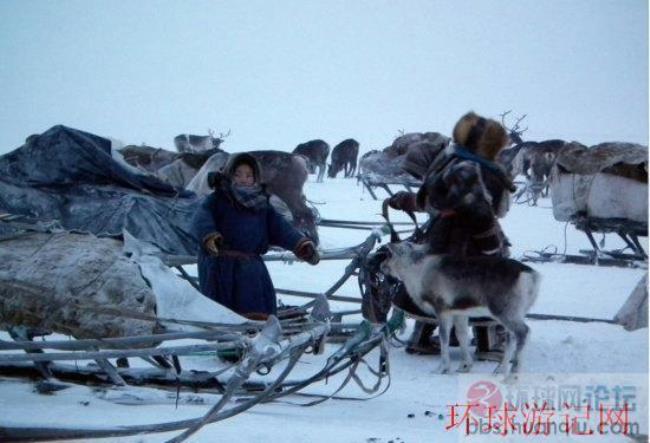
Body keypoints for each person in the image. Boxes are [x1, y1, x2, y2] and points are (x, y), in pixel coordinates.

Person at [387, 111, 515, 355]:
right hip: (469, 242)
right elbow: (479, 212)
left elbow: (427, 197)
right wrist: (490, 246)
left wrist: (412, 202)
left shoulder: (449, 159)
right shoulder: (473, 168)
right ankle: (488, 344)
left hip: (440, 236)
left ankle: (420, 338)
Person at [192, 153, 319, 319]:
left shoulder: (262, 204)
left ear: (256, 178)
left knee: (256, 313)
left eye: (248, 175)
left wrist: (301, 245)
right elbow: (200, 219)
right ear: (229, 175)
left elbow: (280, 228)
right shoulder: (218, 199)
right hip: (221, 268)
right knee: (224, 317)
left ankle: (257, 339)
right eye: (237, 174)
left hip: (251, 268)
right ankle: (227, 341)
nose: (243, 179)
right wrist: (209, 236)